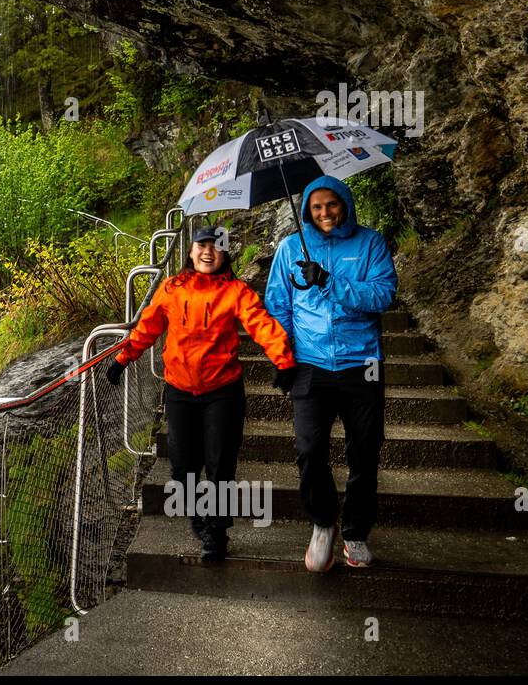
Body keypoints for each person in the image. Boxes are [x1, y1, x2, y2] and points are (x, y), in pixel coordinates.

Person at [106, 226, 296, 560]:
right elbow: (148, 326)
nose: (208, 251)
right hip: (179, 391)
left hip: (223, 391)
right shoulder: (172, 288)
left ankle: (217, 533)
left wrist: (283, 360)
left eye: (216, 246)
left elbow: (261, 323)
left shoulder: (236, 291)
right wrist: (123, 358)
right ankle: (198, 514)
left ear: (225, 254)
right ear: (191, 252)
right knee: (182, 466)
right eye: (202, 245)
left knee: (220, 464)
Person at [264, 175, 397, 572]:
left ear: (345, 204)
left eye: (331, 204)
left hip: (363, 363)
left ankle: (355, 531)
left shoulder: (370, 243)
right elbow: (278, 306)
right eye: (316, 207)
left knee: (365, 451)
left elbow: (383, 295)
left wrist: (330, 280)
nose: (325, 213)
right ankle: (323, 523)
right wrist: (281, 357)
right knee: (308, 450)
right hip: (311, 364)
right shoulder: (290, 248)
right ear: (306, 210)